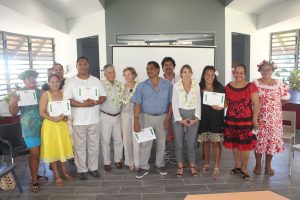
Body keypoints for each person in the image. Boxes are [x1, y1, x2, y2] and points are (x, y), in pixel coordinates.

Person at [63, 56, 106, 180]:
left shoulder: (96, 80)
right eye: (80, 64)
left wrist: (95, 102)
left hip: (94, 119)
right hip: (78, 120)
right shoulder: (70, 81)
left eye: (85, 63)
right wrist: (83, 104)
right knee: (79, 146)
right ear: (76, 66)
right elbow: (67, 100)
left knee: (94, 145)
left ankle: (93, 168)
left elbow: (103, 96)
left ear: (88, 65)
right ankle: (82, 169)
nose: (82, 66)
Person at [8, 70, 47, 192]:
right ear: (24, 81)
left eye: (33, 79)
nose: (32, 81)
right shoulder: (19, 94)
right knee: (34, 153)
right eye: (28, 79)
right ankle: (34, 180)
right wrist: (14, 100)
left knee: (39, 152)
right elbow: (13, 112)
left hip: (44, 126)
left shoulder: (40, 92)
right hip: (29, 128)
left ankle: (34, 173)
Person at [132, 61, 173, 179]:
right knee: (145, 143)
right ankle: (144, 167)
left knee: (161, 143)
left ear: (158, 70)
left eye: (151, 68)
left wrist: (168, 119)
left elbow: (171, 103)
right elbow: (137, 104)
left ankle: (160, 164)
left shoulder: (167, 85)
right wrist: (136, 120)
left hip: (162, 117)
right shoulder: (142, 86)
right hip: (146, 117)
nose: (149, 71)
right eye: (147, 69)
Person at [253, 60, 290, 176]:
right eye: (263, 69)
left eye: (269, 69)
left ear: (273, 70)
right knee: (258, 141)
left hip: (275, 120)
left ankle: (268, 165)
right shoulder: (255, 84)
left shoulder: (279, 84)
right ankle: (258, 164)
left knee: (271, 142)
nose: (266, 71)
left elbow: (286, 98)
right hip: (259, 118)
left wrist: (275, 107)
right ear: (260, 71)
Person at [223, 64, 259, 180]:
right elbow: (225, 103)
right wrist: (217, 106)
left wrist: (254, 119)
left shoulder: (251, 86)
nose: (239, 75)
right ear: (234, 73)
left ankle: (244, 168)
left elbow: (256, 104)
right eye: (237, 72)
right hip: (231, 120)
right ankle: (237, 165)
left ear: (245, 74)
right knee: (234, 143)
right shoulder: (228, 87)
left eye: (241, 72)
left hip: (246, 122)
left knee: (245, 145)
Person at [39, 74, 74, 186]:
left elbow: (68, 110)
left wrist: (65, 117)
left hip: (62, 126)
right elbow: (42, 112)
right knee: (53, 150)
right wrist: (53, 119)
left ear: (60, 82)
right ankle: (57, 175)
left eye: (57, 81)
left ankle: (65, 172)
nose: (55, 84)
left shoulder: (64, 93)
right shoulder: (45, 94)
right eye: (52, 82)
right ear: (48, 82)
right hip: (50, 126)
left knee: (62, 149)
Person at [172, 64, 201, 177]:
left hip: (193, 115)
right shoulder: (176, 86)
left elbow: (198, 102)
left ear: (191, 73)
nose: (187, 74)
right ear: (181, 74)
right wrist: (179, 119)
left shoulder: (196, 86)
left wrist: (197, 118)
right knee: (179, 143)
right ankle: (180, 166)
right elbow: (174, 103)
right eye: (184, 71)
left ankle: (192, 166)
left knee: (191, 143)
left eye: (189, 71)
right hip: (179, 115)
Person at [198, 66, 225, 178]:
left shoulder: (219, 87)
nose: (210, 77)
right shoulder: (198, 87)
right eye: (207, 74)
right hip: (203, 119)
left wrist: (221, 107)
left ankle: (216, 167)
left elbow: (226, 102)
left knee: (216, 143)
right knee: (206, 142)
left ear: (215, 76)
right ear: (203, 75)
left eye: (212, 75)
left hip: (216, 119)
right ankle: (207, 163)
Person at [100, 64, 124, 172]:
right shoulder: (100, 85)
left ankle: (118, 160)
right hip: (105, 116)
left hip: (118, 116)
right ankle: (106, 162)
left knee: (118, 139)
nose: (112, 74)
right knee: (105, 140)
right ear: (104, 74)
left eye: (113, 72)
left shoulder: (120, 84)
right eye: (109, 72)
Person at [121, 67, 140, 171]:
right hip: (124, 114)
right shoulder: (122, 87)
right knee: (126, 139)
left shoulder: (139, 86)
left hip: (136, 114)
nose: (127, 77)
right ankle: (129, 162)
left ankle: (137, 163)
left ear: (133, 74)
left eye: (129, 74)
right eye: (125, 75)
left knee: (136, 139)